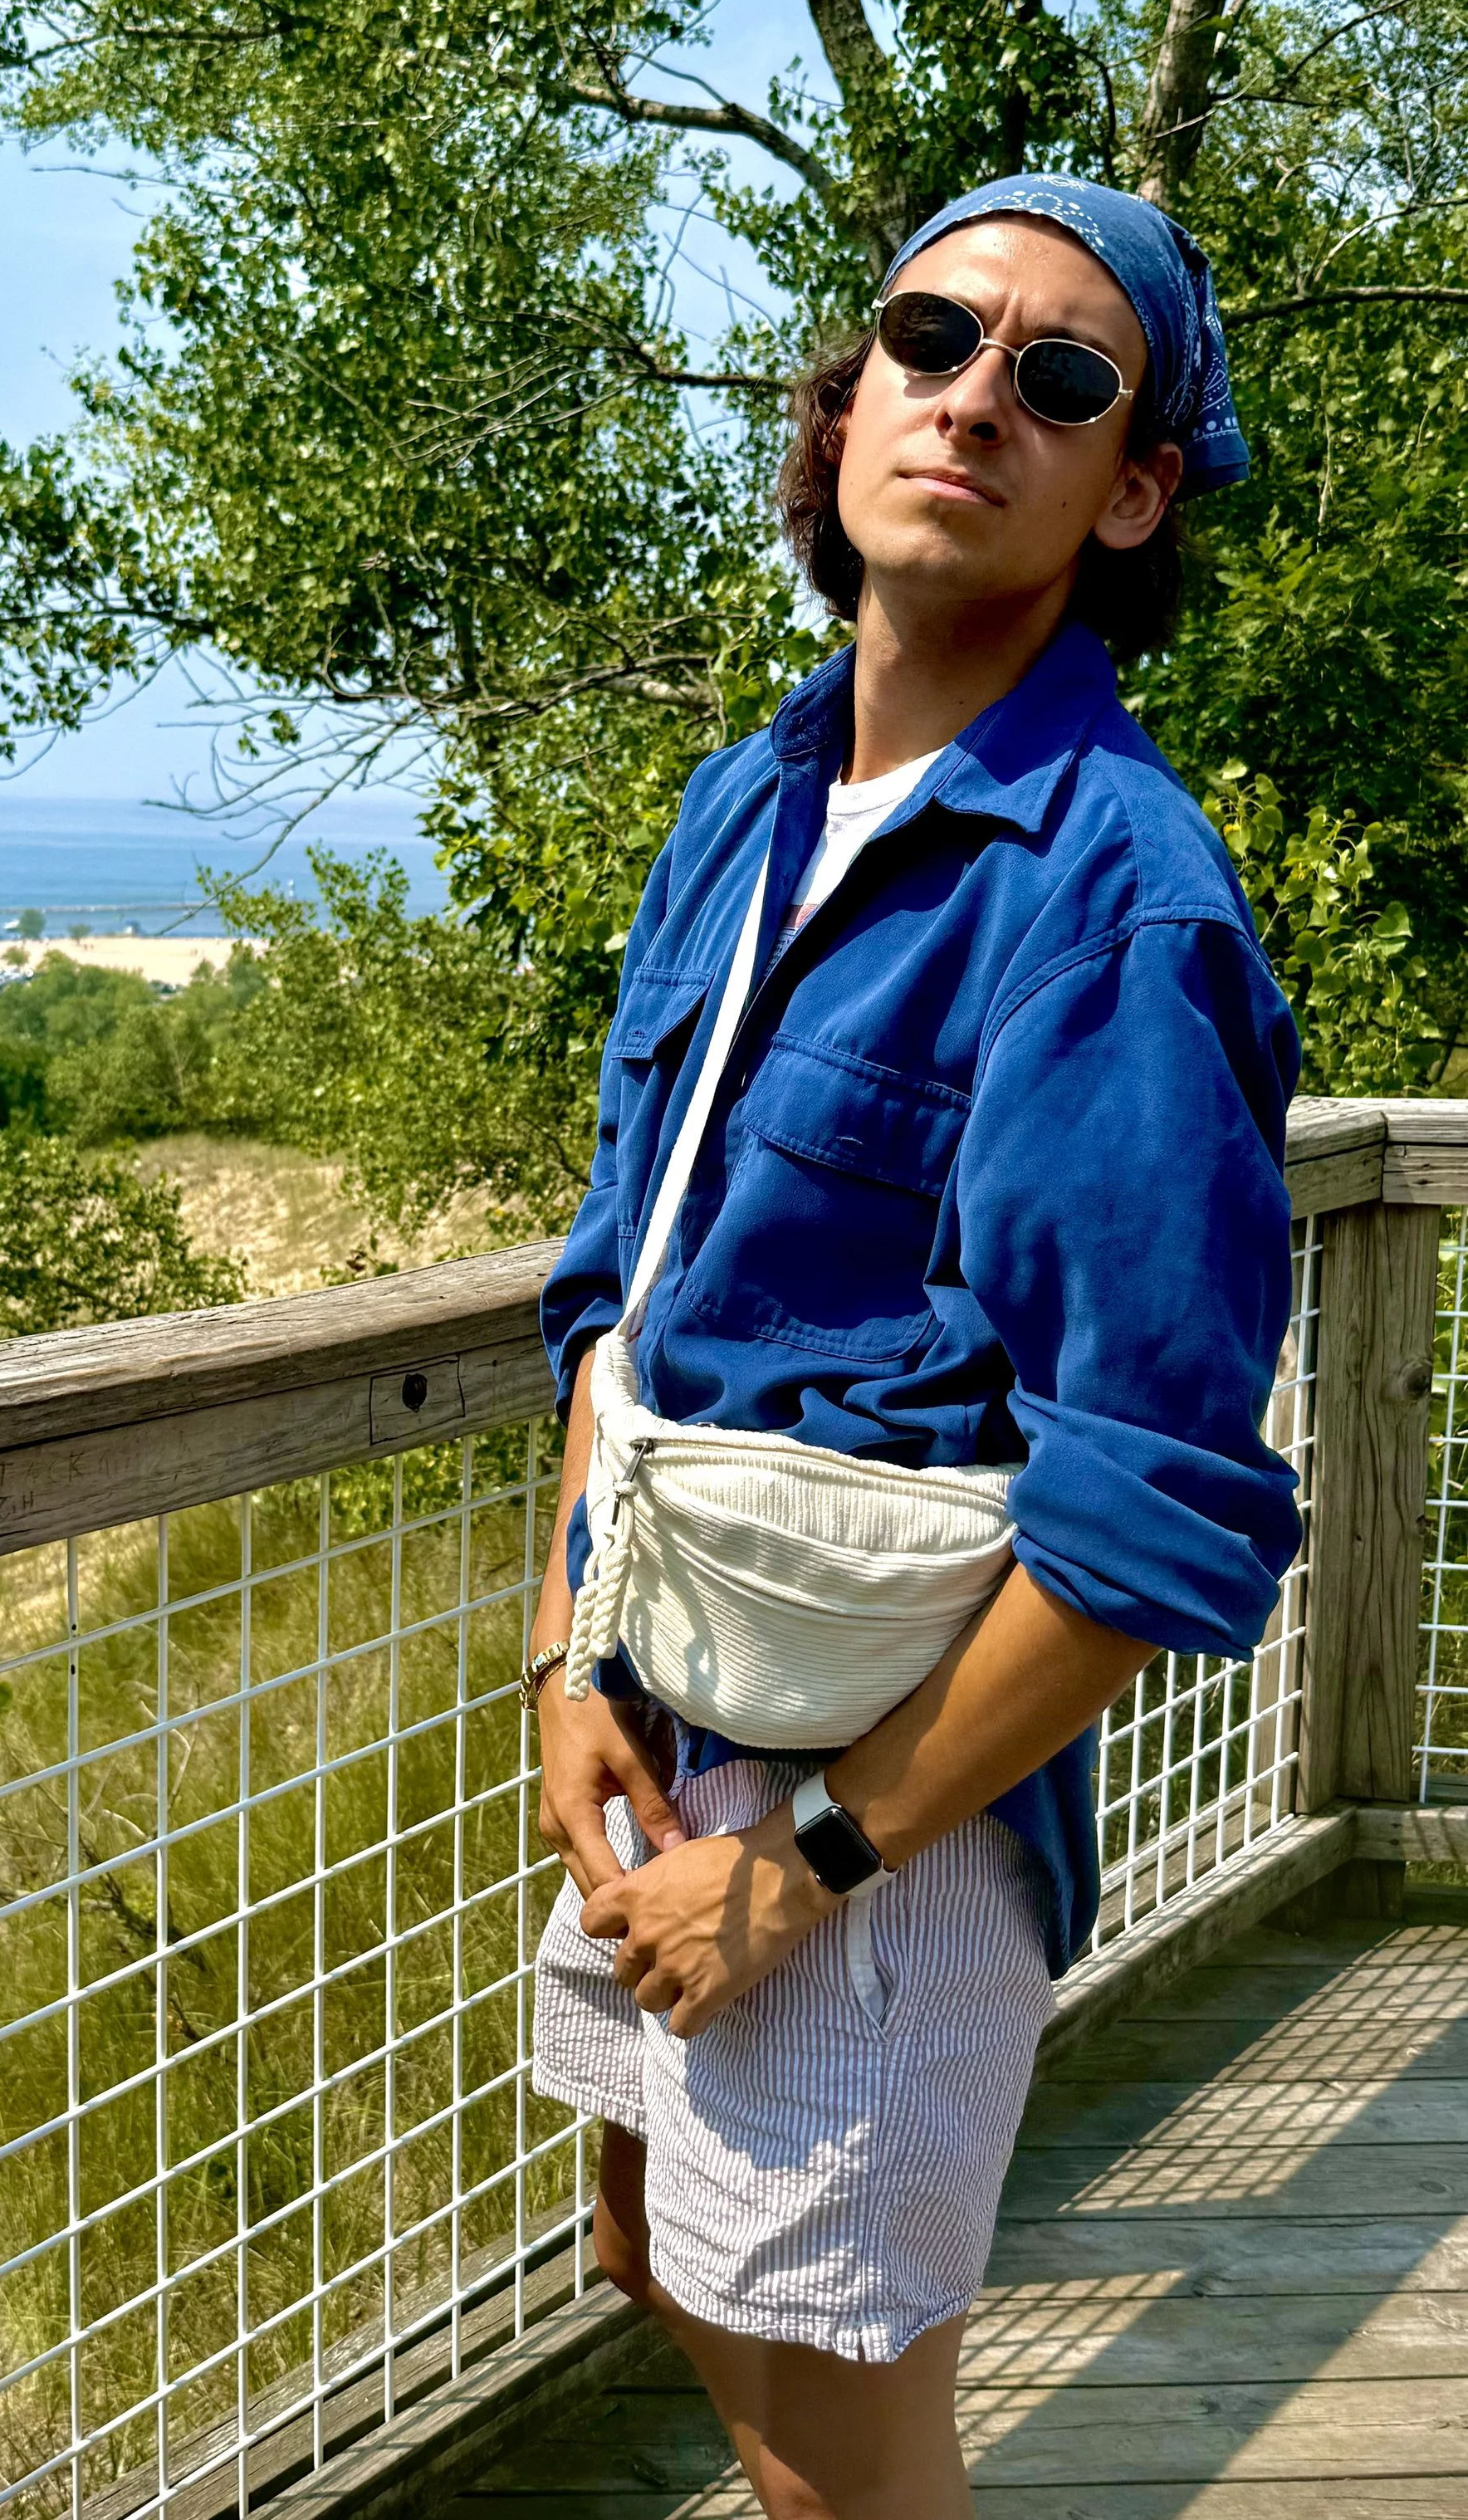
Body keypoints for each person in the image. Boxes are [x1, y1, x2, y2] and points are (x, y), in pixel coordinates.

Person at [523, 176, 1302, 2520]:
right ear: (848, 394)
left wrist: (805, 1865)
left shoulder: (1113, 902)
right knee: (655, 2257)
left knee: (842, 2467)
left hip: (873, 1808)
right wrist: (565, 1653)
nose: (973, 395)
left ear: (1130, 490)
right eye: (929, 336)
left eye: (1059, 378)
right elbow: (623, 1282)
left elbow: (1151, 1512)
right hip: (669, 1698)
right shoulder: (752, 802)